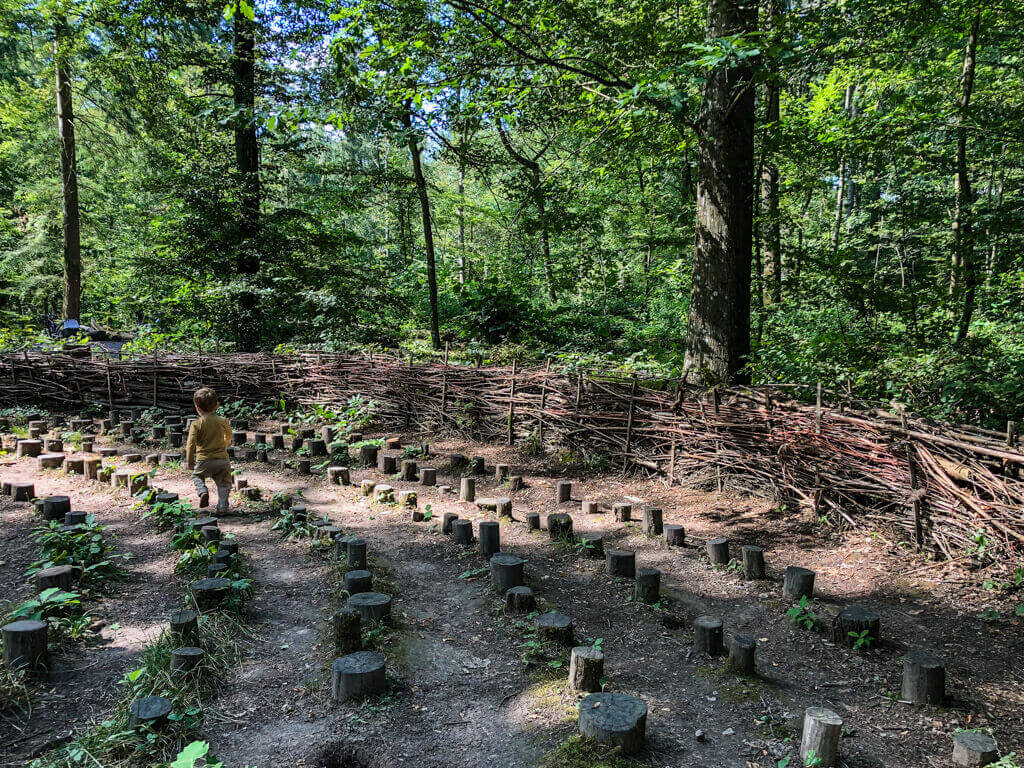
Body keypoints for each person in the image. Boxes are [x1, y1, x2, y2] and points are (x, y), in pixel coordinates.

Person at [185, 387, 233, 512]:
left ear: (197, 408)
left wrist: (190, 462)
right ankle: (222, 508)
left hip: (204, 461)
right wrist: (226, 443)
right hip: (222, 460)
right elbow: (229, 435)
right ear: (216, 406)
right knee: (224, 483)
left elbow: (190, 444)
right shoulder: (223, 421)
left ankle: (202, 492)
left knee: (197, 476)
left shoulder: (196, 424)